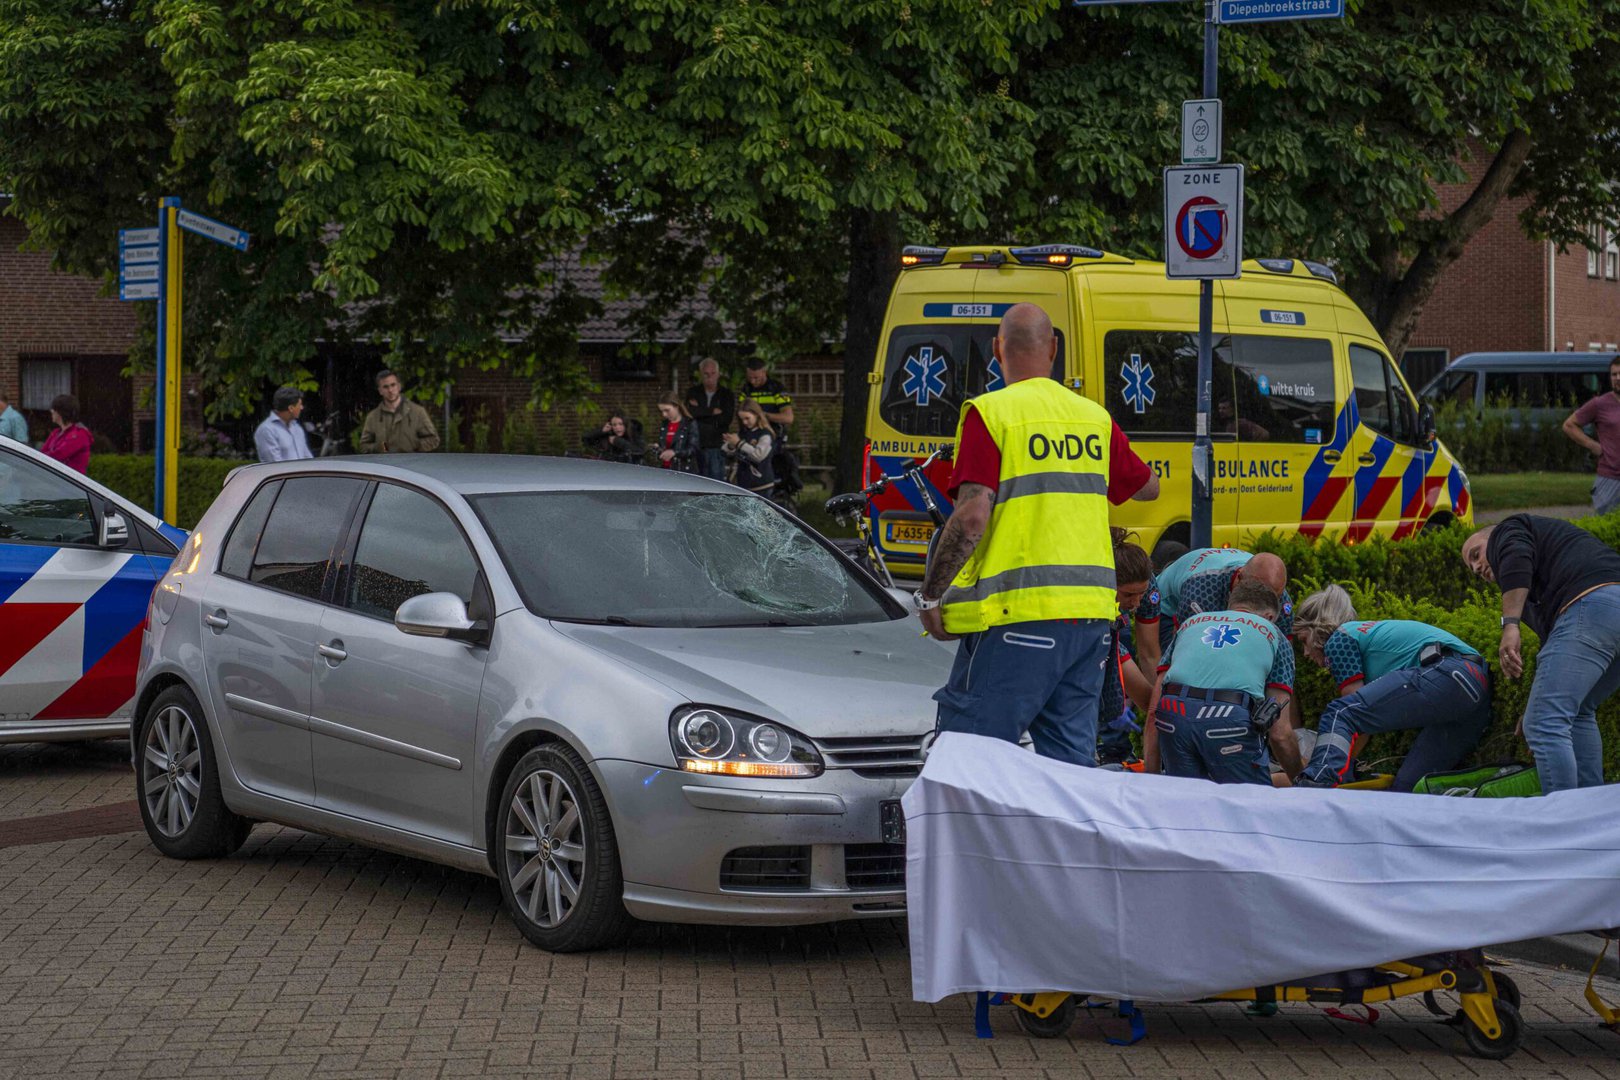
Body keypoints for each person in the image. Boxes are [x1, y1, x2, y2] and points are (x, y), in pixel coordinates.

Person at [916, 303, 1158, 767]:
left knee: (968, 762)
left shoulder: (991, 414)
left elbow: (970, 517)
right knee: (1069, 773)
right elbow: (1148, 487)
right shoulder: (1094, 419)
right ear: (1054, 350)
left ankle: (973, 843)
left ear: (997, 350)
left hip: (1018, 619)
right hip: (1089, 623)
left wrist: (930, 597)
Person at [1463, 516, 1620, 792]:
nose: (1476, 566)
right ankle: (1591, 818)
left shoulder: (1509, 530)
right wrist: (1535, 705)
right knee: (1578, 711)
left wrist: (1510, 625)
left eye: (1476, 554)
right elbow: (1558, 647)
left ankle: (1563, 825)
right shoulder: (1538, 586)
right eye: (1473, 568)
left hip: (1592, 602)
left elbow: (1514, 554)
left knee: (1545, 724)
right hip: (1607, 609)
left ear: (1493, 537)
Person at [1292, 585, 1491, 792]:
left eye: (1304, 640)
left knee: (1338, 713)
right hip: (1476, 687)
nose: (1305, 653)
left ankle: (1314, 785)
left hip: (1450, 673)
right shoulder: (1364, 634)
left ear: (1318, 627)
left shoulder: (1340, 638)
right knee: (1406, 788)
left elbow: (1350, 716)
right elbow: (1361, 722)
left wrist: (1318, 767)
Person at [1144, 579, 1292, 786]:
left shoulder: (1191, 624)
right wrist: (1302, 781)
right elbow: (1280, 732)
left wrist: (1151, 779)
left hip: (1173, 714)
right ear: (1269, 617)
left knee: (1184, 802)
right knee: (1250, 805)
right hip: (1229, 719)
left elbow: (1153, 709)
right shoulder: (1274, 634)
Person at [1097, 530, 1159, 766]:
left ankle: (1119, 748)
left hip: (1113, 624)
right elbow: (1107, 654)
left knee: (1145, 696)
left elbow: (1150, 653)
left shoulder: (1149, 588)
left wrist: (1156, 710)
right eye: (1129, 594)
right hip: (1089, 624)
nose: (1135, 602)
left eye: (1140, 594)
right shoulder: (1097, 587)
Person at [1561, 355, 1620, 515]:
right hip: (1610, 479)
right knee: (1606, 529)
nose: (1618, 378)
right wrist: (1593, 446)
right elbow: (1569, 425)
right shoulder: (1599, 404)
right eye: (1614, 374)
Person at [741, 358, 800, 496]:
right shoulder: (746, 388)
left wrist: (763, 415)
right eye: (750, 377)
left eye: (756, 377)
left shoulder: (776, 388)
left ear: (764, 372)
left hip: (772, 436)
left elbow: (788, 418)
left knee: (764, 465)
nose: (753, 381)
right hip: (751, 435)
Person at [359, 369, 440, 453]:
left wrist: (413, 445)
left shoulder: (417, 412)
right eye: (385, 387)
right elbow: (363, 446)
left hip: (411, 463)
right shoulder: (373, 417)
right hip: (385, 464)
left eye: (393, 385)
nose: (390, 390)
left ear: (399, 386)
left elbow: (433, 439)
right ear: (380, 391)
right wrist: (381, 447)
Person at [685, 358, 736, 481]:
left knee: (715, 482)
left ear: (718, 374)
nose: (710, 377)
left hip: (716, 444)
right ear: (701, 374)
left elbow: (725, 419)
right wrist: (712, 411)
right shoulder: (693, 392)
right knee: (696, 481)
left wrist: (700, 413)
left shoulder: (726, 394)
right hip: (696, 444)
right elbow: (689, 413)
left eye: (713, 373)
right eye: (706, 374)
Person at [722, 401, 776, 493]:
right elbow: (725, 451)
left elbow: (758, 456)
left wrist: (739, 443)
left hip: (762, 485)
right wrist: (731, 445)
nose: (744, 422)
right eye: (742, 419)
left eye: (747, 418)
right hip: (743, 484)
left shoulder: (765, 434)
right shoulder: (743, 432)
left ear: (757, 415)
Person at [253, 387, 314, 463]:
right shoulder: (267, 430)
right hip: (283, 475)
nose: (302, 408)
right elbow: (274, 465)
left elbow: (308, 459)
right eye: (299, 405)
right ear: (291, 408)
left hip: (302, 474)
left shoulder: (297, 428)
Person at [41, 394, 92, 474]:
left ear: (61, 412)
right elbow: (42, 452)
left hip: (70, 482)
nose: (51, 411)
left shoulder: (80, 435)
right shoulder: (56, 433)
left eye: (54, 409)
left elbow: (58, 455)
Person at [654, 393, 699, 473]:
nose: (664, 414)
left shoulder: (689, 423)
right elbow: (664, 445)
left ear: (676, 406)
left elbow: (693, 449)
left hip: (683, 470)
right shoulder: (664, 424)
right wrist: (658, 448)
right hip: (665, 469)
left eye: (667, 410)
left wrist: (675, 452)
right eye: (661, 411)